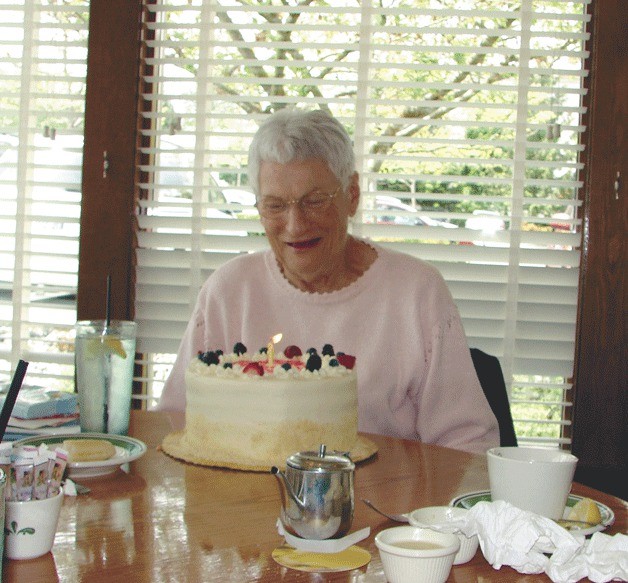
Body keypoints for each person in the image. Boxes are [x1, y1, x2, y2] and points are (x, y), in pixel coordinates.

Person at [157, 108, 499, 454]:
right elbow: (177, 423)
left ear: (352, 195)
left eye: (315, 202)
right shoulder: (228, 292)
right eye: (275, 206)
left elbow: (467, 444)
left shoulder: (416, 293)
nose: (295, 225)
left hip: (382, 502)